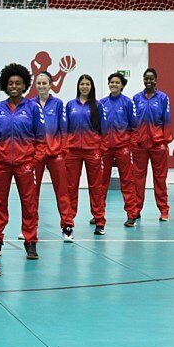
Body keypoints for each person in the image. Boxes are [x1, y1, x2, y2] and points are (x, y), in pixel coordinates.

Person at [0, 63, 47, 260]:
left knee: (29, 203)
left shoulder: (33, 108)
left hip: (25, 164)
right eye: (11, 83)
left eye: (18, 83)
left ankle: (31, 242)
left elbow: (41, 139)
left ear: (24, 86)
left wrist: (34, 162)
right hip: (1, 165)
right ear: (5, 85)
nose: (14, 86)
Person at [31, 71, 75, 241]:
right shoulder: (30, 105)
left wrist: (62, 151)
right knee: (31, 193)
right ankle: (30, 228)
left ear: (50, 85)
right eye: (39, 83)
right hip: (36, 156)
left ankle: (67, 226)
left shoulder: (58, 104)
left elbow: (64, 129)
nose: (41, 86)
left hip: (55, 154)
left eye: (44, 83)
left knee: (62, 192)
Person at [65, 74, 107, 235]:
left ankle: (99, 220)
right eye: (82, 84)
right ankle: (68, 222)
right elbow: (65, 128)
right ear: (78, 86)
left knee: (96, 187)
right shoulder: (70, 105)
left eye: (87, 84)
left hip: (93, 151)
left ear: (91, 87)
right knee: (71, 187)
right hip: (73, 152)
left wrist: (100, 148)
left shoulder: (98, 106)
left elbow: (104, 129)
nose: (84, 87)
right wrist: (66, 147)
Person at [132, 68, 172, 221]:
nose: (148, 82)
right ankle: (136, 209)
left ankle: (163, 210)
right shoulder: (136, 98)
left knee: (160, 179)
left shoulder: (163, 98)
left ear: (156, 80)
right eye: (146, 79)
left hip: (158, 145)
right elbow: (133, 122)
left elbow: (167, 119)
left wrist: (164, 140)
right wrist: (135, 140)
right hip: (140, 146)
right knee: (138, 179)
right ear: (143, 80)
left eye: (151, 79)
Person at [100, 72, 139, 227]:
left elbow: (135, 127)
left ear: (122, 85)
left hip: (123, 149)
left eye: (117, 82)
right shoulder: (101, 103)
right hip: (105, 150)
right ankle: (98, 214)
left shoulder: (128, 103)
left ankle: (131, 215)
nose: (114, 84)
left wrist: (129, 146)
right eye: (111, 82)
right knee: (101, 183)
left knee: (127, 182)